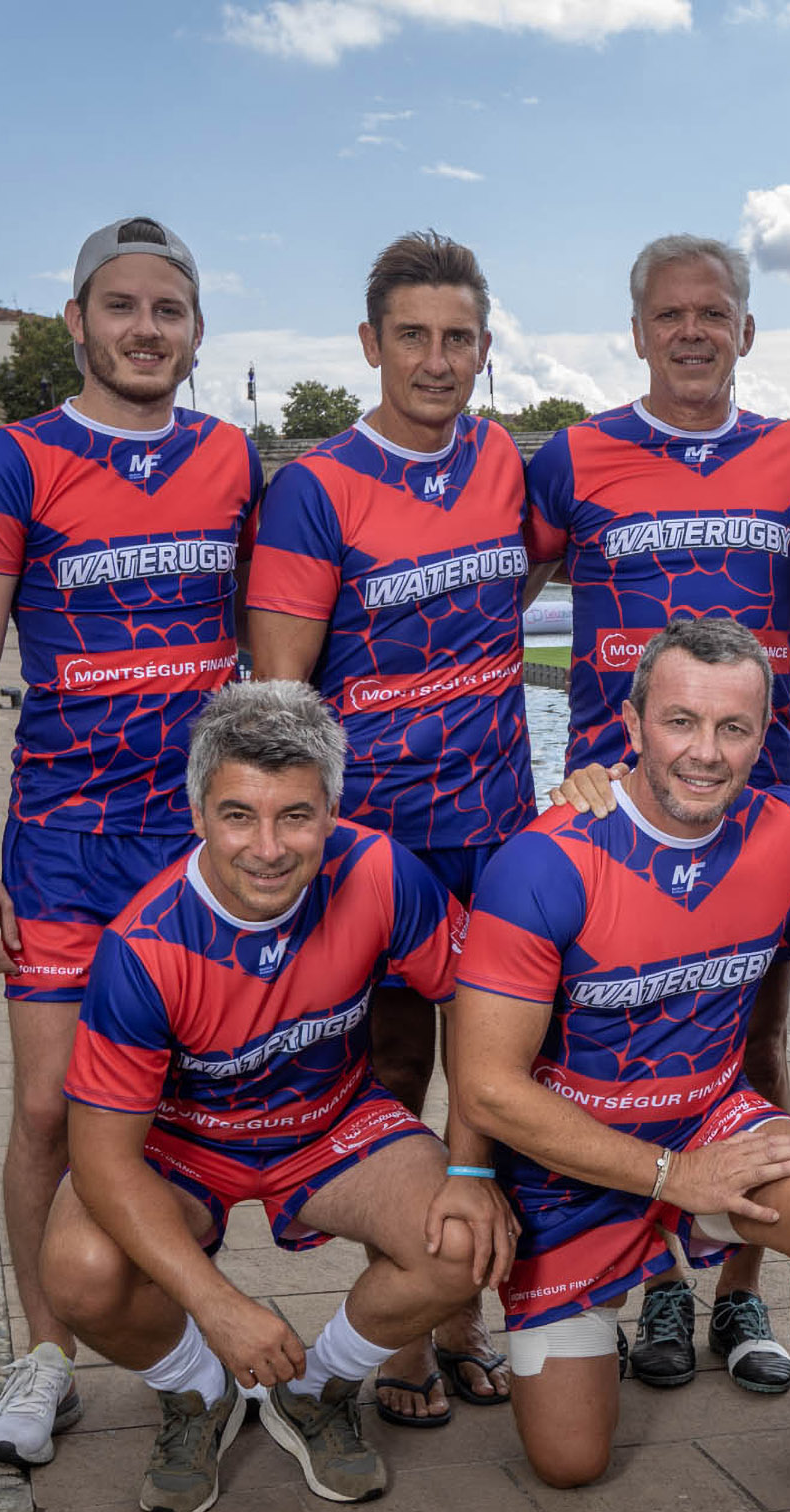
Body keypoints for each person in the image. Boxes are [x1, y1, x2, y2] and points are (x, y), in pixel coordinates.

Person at [457, 618, 790, 1512]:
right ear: (630, 724)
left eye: (733, 728)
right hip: (571, 1159)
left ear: (765, 736)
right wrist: (673, 1181)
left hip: (705, 1113)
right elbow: (487, 1087)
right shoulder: (544, 864)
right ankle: (634, 1286)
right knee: (569, 1462)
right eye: (681, 722)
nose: (706, 753)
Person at [0, 217, 262, 1467]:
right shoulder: (11, 464)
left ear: (194, 330)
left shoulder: (231, 459)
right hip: (67, 837)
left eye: (168, 310)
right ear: (76, 321)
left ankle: (186, 1340)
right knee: (45, 1114)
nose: (144, 330)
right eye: (120, 306)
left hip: (198, 847)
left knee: (185, 1107)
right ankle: (45, 1355)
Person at [40, 681, 515, 1512]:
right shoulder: (143, 947)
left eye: (294, 815)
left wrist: (472, 1174)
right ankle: (198, 1392)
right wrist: (220, 1310)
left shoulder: (376, 870)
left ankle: (316, 1387)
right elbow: (102, 1161)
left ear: (331, 812)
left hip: (331, 1126)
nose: (267, 847)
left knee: (465, 1240)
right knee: (78, 1269)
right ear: (198, 816)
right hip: (189, 1143)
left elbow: (482, 1017)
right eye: (238, 816)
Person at [523, 235, 790, 1395]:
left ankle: (743, 1294)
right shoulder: (571, 458)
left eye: (715, 312)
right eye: (671, 315)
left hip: (752, 803)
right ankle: (656, 1279)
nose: (694, 331)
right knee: (610, 1044)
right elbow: (488, 581)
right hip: (613, 804)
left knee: (755, 1042)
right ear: (640, 329)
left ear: (747, 330)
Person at [248, 232, 533, 1426]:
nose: (435, 358)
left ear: (483, 343)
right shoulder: (316, 487)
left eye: (456, 336)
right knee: (394, 1078)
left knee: (498, 1077)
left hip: (499, 829)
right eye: (410, 335)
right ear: (370, 345)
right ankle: (400, 1322)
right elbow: (277, 697)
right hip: (379, 845)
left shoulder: (506, 460)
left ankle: (461, 1306)